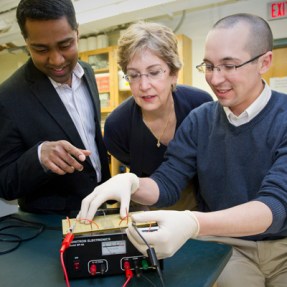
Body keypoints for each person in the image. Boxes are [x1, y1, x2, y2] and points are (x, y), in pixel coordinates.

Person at [79, 13, 287, 286]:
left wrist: (193, 223)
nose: (215, 78)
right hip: (228, 247)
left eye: (229, 66)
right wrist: (130, 183)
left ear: (264, 62)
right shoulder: (200, 119)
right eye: (209, 66)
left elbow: (276, 205)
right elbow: (167, 182)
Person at [0, 0, 110, 215]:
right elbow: (5, 183)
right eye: (41, 49)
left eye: (65, 45)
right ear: (26, 42)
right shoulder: (8, 98)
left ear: (77, 33)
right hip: (50, 223)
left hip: (99, 206)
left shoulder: (87, 72)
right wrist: (39, 156)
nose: (57, 60)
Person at [104, 21, 212, 210]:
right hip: (152, 208)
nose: (144, 85)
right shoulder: (117, 126)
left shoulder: (200, 105)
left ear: (174, 73)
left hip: (203, 206)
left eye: (154, 73)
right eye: (134, 75)